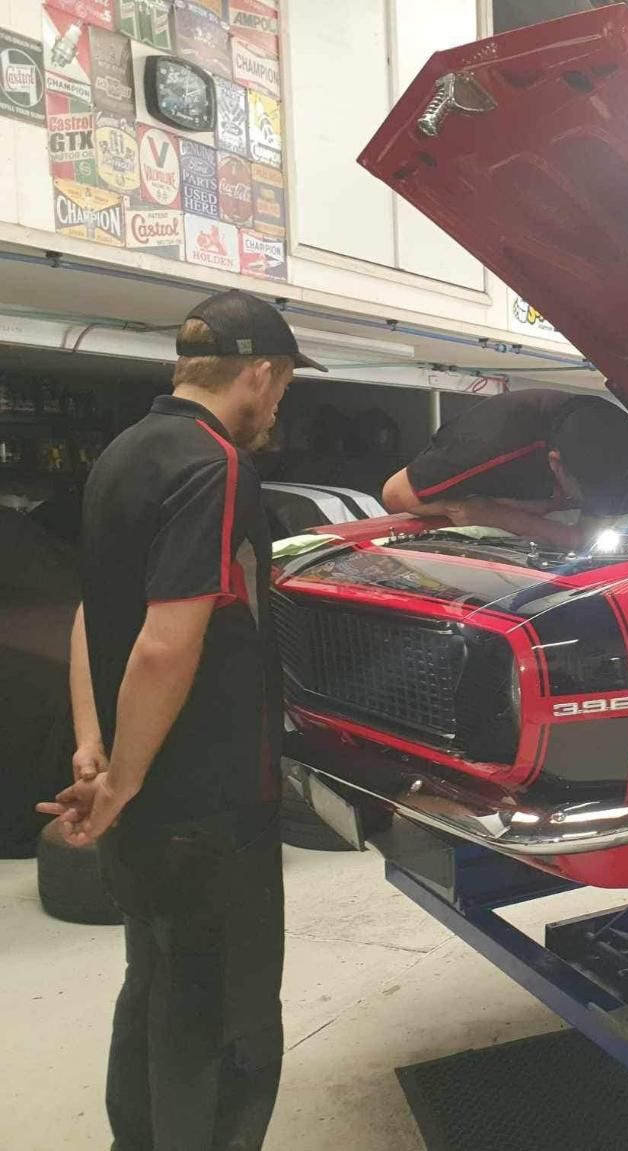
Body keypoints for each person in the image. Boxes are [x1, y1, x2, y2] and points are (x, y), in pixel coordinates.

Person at [39, 290, 323, 1151]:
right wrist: (120, 777)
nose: (276, 409)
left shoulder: (124, 453)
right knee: (229, 1021)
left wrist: (97, 750)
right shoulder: (216, 464)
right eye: (281, 390)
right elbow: (166, 643)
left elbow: (94, 613)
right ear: (260, 374)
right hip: (210, 805)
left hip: (147, 809)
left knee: (157, 988)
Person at [381, 388, 628, 550]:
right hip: (487, 463)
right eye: (586, 491)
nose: (597, 500)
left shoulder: (612, 437)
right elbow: (394, 494)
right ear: (555, 463)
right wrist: (488, 512)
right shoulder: (489, 444)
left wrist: (564, 529)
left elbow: (588, 535)